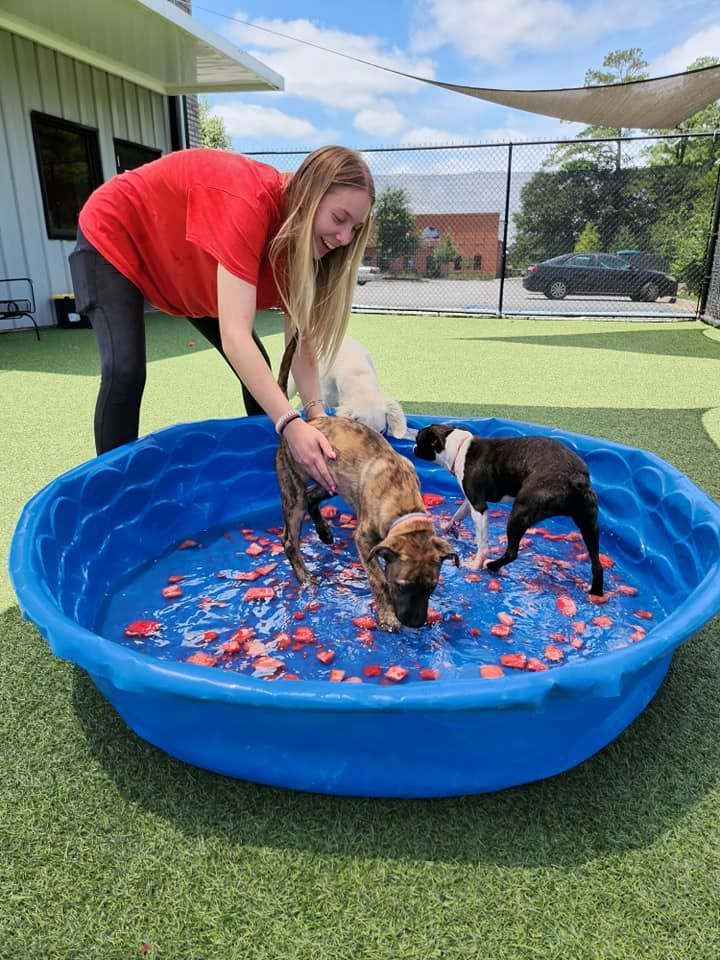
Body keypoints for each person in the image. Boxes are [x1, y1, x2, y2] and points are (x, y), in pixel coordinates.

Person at [69, 145, 375, 492]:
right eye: (339, 219)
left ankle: (272, 466)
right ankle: (115, 494)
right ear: (307, 193)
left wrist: (317, 418)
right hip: (117, 233)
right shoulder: (247, 203)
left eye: (356, 227)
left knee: (256, 367)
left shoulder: (308, 245)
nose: (345, 238)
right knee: (125, 370)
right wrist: (290, 423)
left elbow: (299, 344)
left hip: (182, 271)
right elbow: (235, 336)